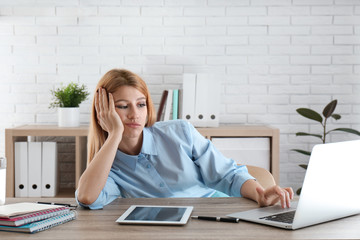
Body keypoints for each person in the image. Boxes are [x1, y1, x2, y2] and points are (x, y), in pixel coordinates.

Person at [76, 69, 294, 210]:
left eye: (141, 104)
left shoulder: (180, 132)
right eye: (123, 106)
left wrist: (260, 195)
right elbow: (87, 197)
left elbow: (228, 174)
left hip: (214, 216)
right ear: (103, 112)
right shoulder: (107, 167)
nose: (135, 115)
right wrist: (114, 134)